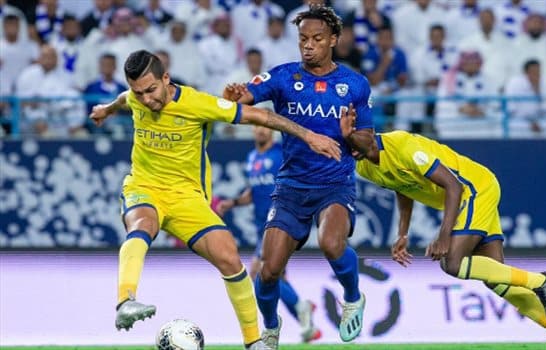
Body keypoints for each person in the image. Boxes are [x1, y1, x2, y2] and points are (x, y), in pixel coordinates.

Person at [89, 49, 341, 350]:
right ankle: (125, 302)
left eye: (151, 90)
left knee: (230, 258)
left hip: (187, 198)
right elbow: (122, 100)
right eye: (138, 92)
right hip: (144, 187)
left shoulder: (198, 104)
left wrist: (309, 135)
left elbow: (260, 115)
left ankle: (254, 342)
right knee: (143, 223)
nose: (146, 100)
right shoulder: (134, 98)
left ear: (166, 78)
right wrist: (105, 109)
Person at [340, 119, 546, 350]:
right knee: (497, 279)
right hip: (470, 196)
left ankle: (541, 281)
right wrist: (402, 234)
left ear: (370, 132)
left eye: (355, 136)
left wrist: (444, 236)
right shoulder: (364, 168)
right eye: (347, 143)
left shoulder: (404, 145)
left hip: (474, 189)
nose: (352, 146)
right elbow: (402, 188)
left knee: (452, 263)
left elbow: (453, 185)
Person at [222, 4, 374, 348]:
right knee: (269, 270)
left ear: (334, 39)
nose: (308, 45)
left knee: (332, 244)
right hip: (290, 187)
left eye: (317, 38)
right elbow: (246, 96)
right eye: (303, 38)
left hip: (335, 184)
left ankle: (353, 297)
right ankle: (272, 329)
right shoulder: (282, 76)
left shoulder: (354, 84)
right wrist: (234, 95)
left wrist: (351, 136)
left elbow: (368, 141)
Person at [217, 125, 322, 343]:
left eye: (265, 128)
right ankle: (306, 323)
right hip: (260, 227)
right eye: (256, 127)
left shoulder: (280, 155)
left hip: (279, 223)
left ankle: (294, 312)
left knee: (259, 271)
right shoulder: (252, 157)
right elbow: (254, 192)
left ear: (272, 131)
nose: (260, 131)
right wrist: (234, 202)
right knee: (276, 276)